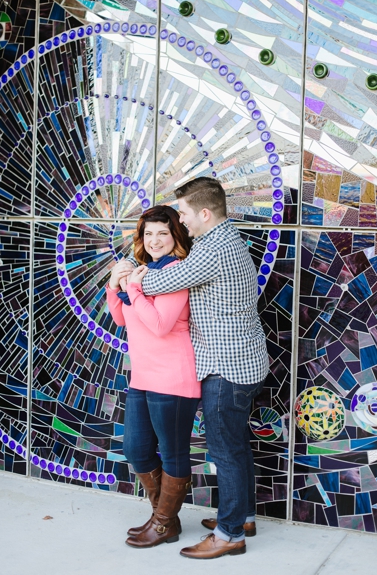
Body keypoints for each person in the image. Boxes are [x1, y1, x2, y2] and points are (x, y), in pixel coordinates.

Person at [114, 177, 268, 559]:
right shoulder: (222, 241)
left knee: (226, 450)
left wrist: (132, 273)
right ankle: (243, 516)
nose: (180, 220)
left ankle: (230, 535)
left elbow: (164, 279)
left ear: (203, 212)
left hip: (227, 365)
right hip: (241, 360)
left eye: (182, 212)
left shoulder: (213, 248)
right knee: (236, 445)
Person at [106, 205, 199, 548]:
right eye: (149, 234)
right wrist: (114, 284)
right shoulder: (144, 272)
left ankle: (161, 524)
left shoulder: (176, 273)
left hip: (174, 377)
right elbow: (121, 319)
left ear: (175, 236)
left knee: (173, 453)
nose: (155, 240)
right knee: (136, 450)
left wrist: (132, 289)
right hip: (143, 377)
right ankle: (165, 519)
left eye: (163, 233)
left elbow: (160, 325)